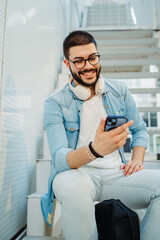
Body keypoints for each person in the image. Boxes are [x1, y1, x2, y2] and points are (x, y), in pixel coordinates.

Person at [41, 31, 160, 240]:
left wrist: (137, 160)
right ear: (67, 65)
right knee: (72, 188)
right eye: (78, 61)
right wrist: (94, 150)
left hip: (117, 173)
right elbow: (60, 158)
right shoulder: (55, 103)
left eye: (92, 58)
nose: (88, 66)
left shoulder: (119, 90)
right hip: (77, 174)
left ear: (98, 55)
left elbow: (139, 129)